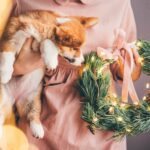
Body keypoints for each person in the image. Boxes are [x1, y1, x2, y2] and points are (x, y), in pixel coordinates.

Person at [2, 0, 141, 149]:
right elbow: (6, 51)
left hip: (101, 129)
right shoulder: (22, 2)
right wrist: (20, 66)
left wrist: (126, 67)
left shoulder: (118, 4)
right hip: (36, 126)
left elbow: (130, 72)